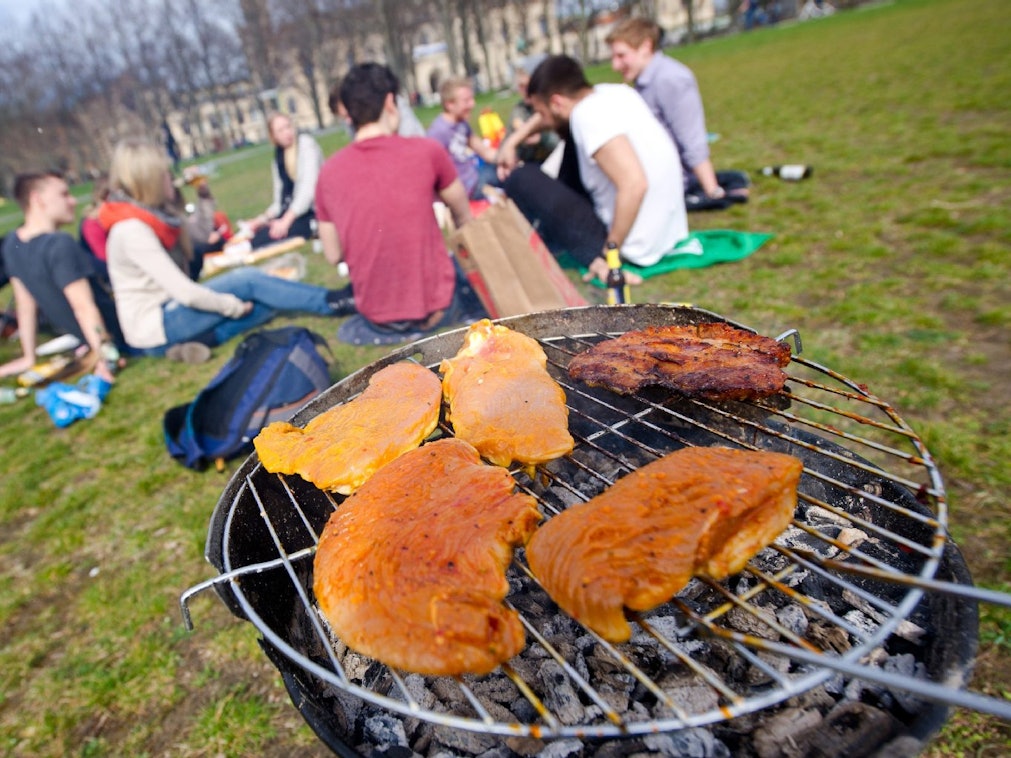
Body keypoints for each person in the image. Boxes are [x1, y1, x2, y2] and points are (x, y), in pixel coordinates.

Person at [99, 137, 354, 359]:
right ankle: (331, 302)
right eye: (165, 174)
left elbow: (198, 236)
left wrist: (203, 196)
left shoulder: (153, 216)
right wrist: (231, 306)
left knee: (270, 303)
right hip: (155, 325)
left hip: (166, 321)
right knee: (249, 282)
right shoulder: (132, 229)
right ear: (150, 180)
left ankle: (201, 341)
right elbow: (185, 293)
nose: (171, 178)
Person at [315, 63, 485, 346]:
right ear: (390, 101)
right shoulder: (426, 150)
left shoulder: (328, 172)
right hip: (438, 310)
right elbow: (463, 215)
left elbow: (333, 254)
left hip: (377, 318)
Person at [497, 55, 687, 284]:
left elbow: (635, 185)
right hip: (666, 233)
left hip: (632, 244)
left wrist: (609, 255)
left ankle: (570, 247)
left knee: (520, 177)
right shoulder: (614, 92)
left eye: (542, 112)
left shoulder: (587, 116)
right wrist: (512, 142)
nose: (541, 120)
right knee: (565, 132)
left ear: (556, 102)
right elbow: (551, 116)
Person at [605, 17, 750, 211]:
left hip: (671, 184)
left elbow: (691, 138)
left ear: (646, 46)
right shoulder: (643, 81)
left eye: (621, 56)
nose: (615, 66)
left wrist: (712, 191)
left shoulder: (671, 79)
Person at [0, 171, 122, 383]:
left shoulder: (12, 244)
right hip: (120, 334)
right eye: (64, 194)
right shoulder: (59, 244)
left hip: (90, 339)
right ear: (37, 199)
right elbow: (84, 307)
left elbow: (25, 305)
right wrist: (106, 357)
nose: (73, 201)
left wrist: (29, 356)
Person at [242, 112, 323, 249]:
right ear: (273, 136)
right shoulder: (278, 159)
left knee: (265, 239)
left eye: (288, 127)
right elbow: (279, 202)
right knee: (258, 236)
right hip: (292, 213)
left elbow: (308, 190)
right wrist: (261, 220)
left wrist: (285, 221)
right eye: (281, 130)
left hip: (314, 212)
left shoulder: (306, 145)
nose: (287, 132)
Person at [426, 77, 500, 200]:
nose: (472, 104)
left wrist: (508, 158)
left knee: (513, 172)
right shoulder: (438, 132)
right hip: (466, 189)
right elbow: (431, 174)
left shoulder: (461, 123)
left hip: (477, 176)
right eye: (466, 101)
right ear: (449, 104)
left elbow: (485, 152)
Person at [505, 54, 560, 168]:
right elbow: (506, 144)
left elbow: (563, 145)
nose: (523, 91)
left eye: (526, 86)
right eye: (520, 86)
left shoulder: (555, 106)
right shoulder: (519, 110)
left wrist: (541, 138)